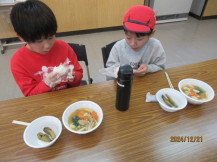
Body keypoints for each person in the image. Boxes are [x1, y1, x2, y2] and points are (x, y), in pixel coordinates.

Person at [10, 0, 83, 96]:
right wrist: (47, 83)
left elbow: (79, 74)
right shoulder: (18, 61)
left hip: (71, 95)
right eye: (39, 41)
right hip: (45, 102)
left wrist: (73, 77)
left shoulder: (64, 47)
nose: (47, 45)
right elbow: (30, 95)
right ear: (21, 37)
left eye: (50, 37)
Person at [106, 5, 166, 77]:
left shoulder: (155, 46)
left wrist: (148, 68)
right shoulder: (118, 47)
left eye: (139, 39)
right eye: (128, 38)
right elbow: (109, 69)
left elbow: (161, 67)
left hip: (146, 84)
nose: (133, 44)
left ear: (151, 34)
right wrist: (119, 71)